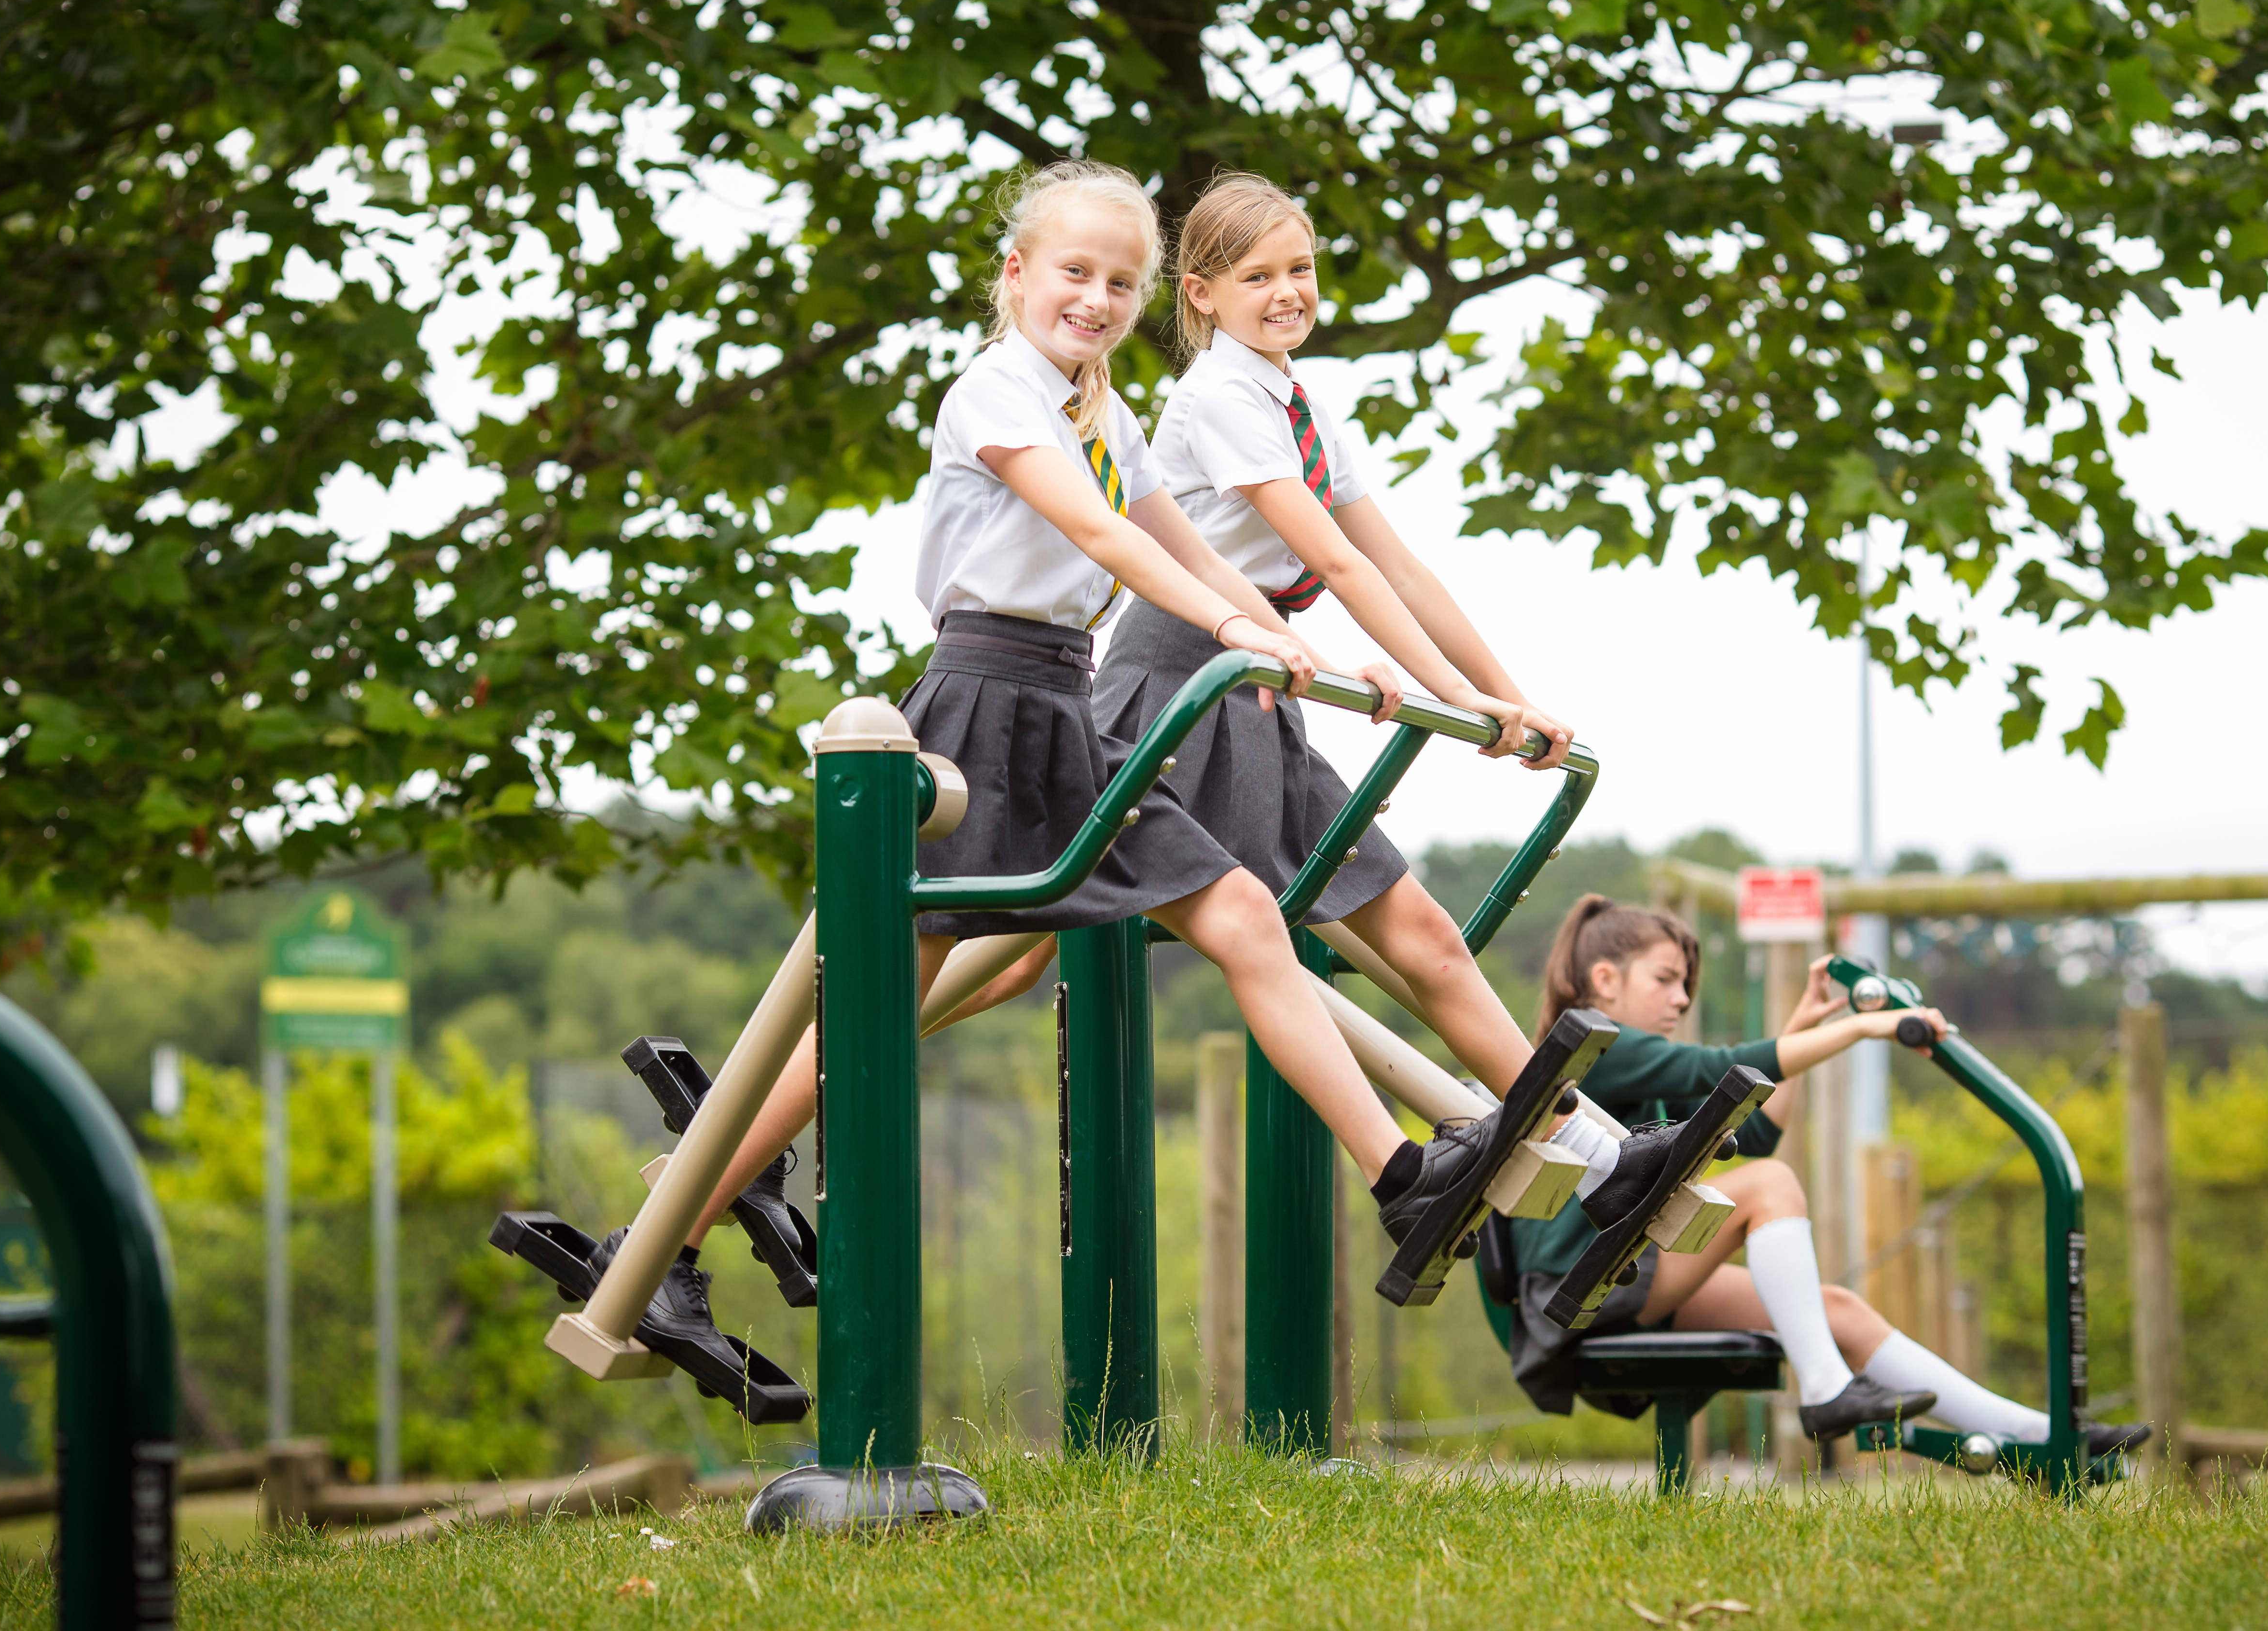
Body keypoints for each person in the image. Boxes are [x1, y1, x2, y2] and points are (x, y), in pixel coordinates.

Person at [591, 161, 1564, 1392]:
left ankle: (1403, 1178)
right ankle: (666, 1232)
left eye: (1119, 282)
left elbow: (1177, 538)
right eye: (1074, 273)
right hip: (982, 702)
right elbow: (1101, 536)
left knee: (1243, 915)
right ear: (1015, 275)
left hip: (1063, 702)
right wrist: (1247, 633)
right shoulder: (995, 390)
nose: (1096, 300)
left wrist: (1285, 632)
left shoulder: (1097, 408)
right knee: (884, 993)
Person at [1089, 171, 1717, 1240]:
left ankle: (1599, 1152)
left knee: (1421, 926)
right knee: (1015, 942)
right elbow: (1331, 559)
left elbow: (1399, 564)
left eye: (1301, 270)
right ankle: (814, 1065)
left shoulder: (1300, 401)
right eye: (1258, 276)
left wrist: (1508, 704)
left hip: (1265, 689)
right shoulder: (1217, 399)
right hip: (1184, 683)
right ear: (1199, 293)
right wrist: (1449, 695)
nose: (1288, 293)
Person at [1503, 896, 2149, 1455]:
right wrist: (1867, 1028)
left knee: (1834, 1307)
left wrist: (1804, 1032)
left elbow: (1749, 1128)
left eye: (1686, 986)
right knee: (1769, 1184)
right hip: (1573, 1286)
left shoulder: (1637, 1071)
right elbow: (1726, 1067)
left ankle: (2039, 1438)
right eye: (1667, 979)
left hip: (1619, 1272)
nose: (1680, 998)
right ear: (1605, 979)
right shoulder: (1596, 1047)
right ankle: (1825, 1390)